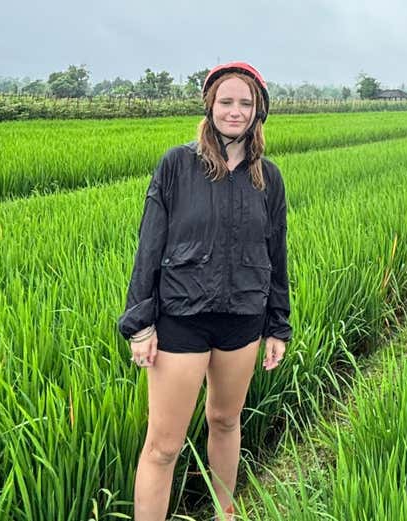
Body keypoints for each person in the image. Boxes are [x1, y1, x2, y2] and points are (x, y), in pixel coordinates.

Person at [117, 61, 292, 521]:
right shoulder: (178, 164)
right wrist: (140, 322)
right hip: (181, 321)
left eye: (245, 103)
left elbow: (277, 254)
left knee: (225, 420)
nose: (235, 111)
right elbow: (149, 244)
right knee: (163, 445)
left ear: (259, 111)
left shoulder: (268, 178)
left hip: (243, 320)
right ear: (210, 106)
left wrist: (278, 324)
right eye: (226, 101)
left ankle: (225, 513)